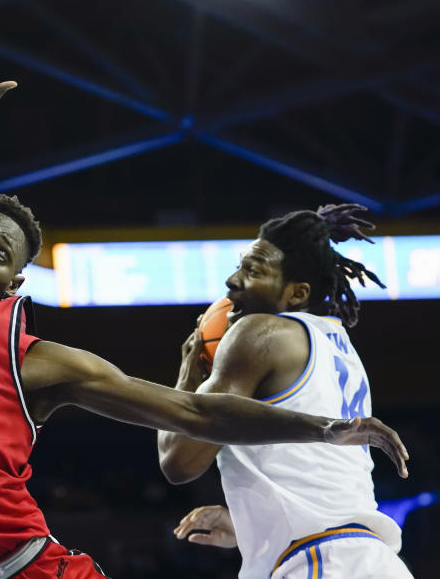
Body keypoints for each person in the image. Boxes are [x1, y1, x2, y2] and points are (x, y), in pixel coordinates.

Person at [0, 32, 409, 579]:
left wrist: (322, 429)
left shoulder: (32, 360)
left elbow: (191, 413)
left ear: (14, 281)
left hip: (22, 570)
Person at [158, 204, 415, 579]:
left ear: (296, 294)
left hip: (323, 564)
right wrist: (248, 524)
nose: (232, 281)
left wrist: (188, 375)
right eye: (239, 265)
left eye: (253, 270)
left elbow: (178, 461)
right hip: (371, 561)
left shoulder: (257, 333)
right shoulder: (337, 343)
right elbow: (316, 476)